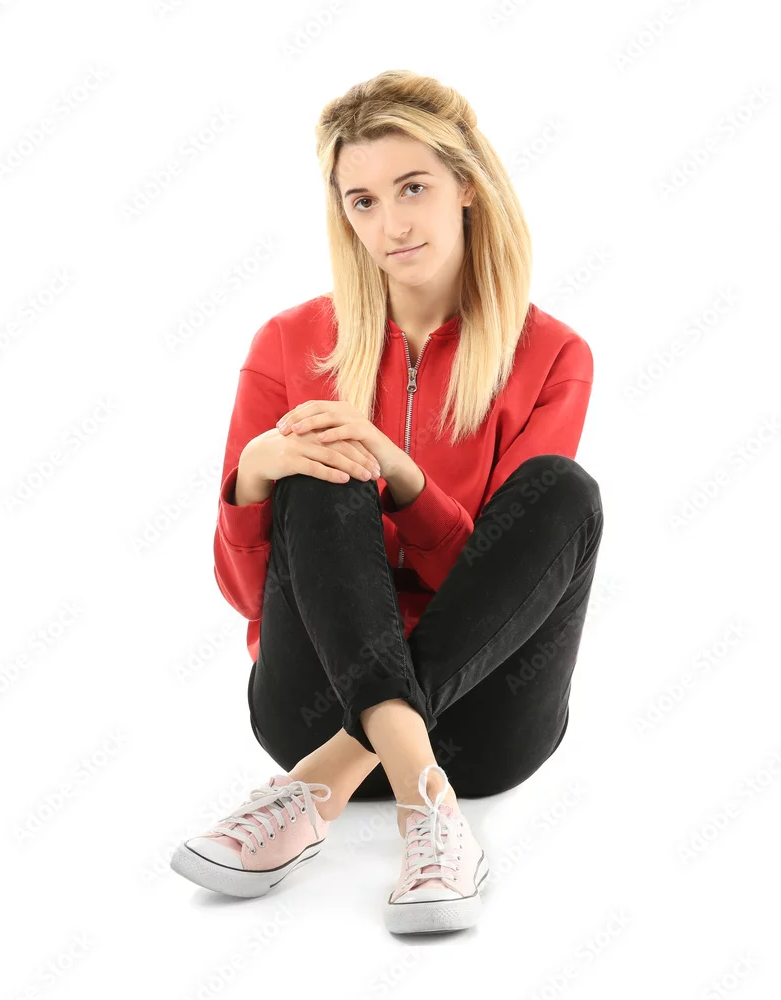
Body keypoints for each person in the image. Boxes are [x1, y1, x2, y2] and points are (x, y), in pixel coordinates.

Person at [170, 69, 604, 934]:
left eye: (413, 188)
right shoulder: (289, 343)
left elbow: (508, 580)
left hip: (484, 724)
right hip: (311, 701)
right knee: (317, 470)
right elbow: (244, 594)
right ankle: (430, 812)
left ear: (466, 185)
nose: (391, 225)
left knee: (565, 492)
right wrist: (254, 475)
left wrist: (402, 476)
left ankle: (321, 788)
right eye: (362, 202)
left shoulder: (552, 355)